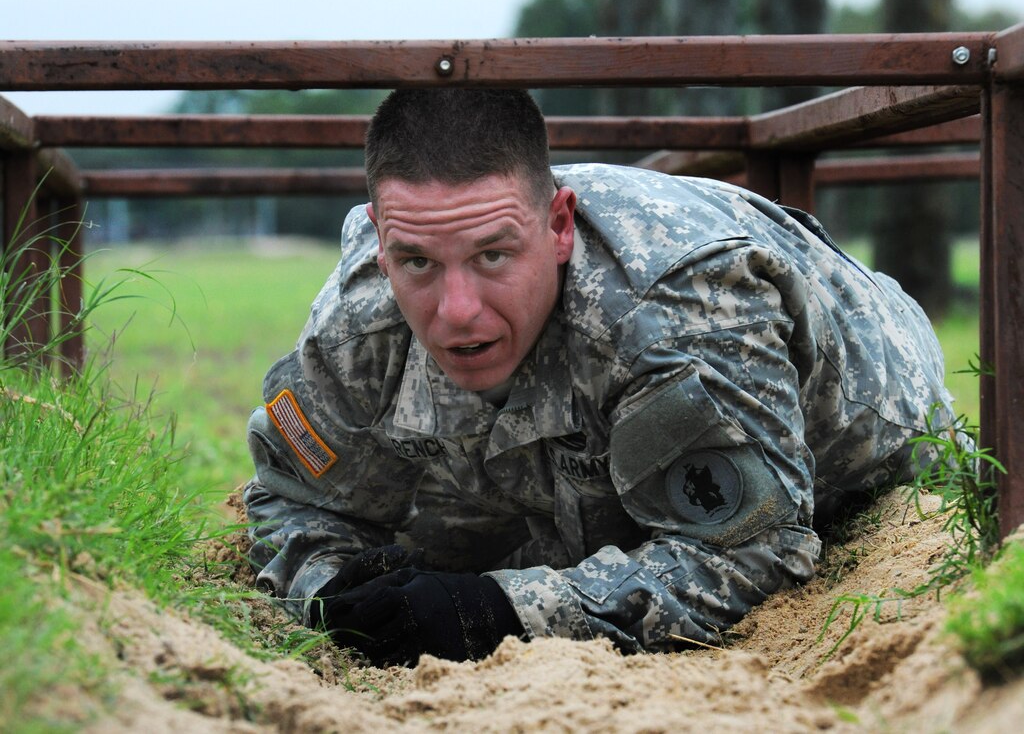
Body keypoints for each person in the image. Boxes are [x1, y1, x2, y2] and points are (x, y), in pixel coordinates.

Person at [243, 88, 957, 667]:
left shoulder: (680, 309)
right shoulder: (358, 319)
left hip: (860, 453)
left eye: (493, 255)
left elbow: (752, 551)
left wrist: (497, 612)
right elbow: (289, 498)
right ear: (379, 235)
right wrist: (330, 592)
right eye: (419, 263)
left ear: (558, 225)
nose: (456, 312)